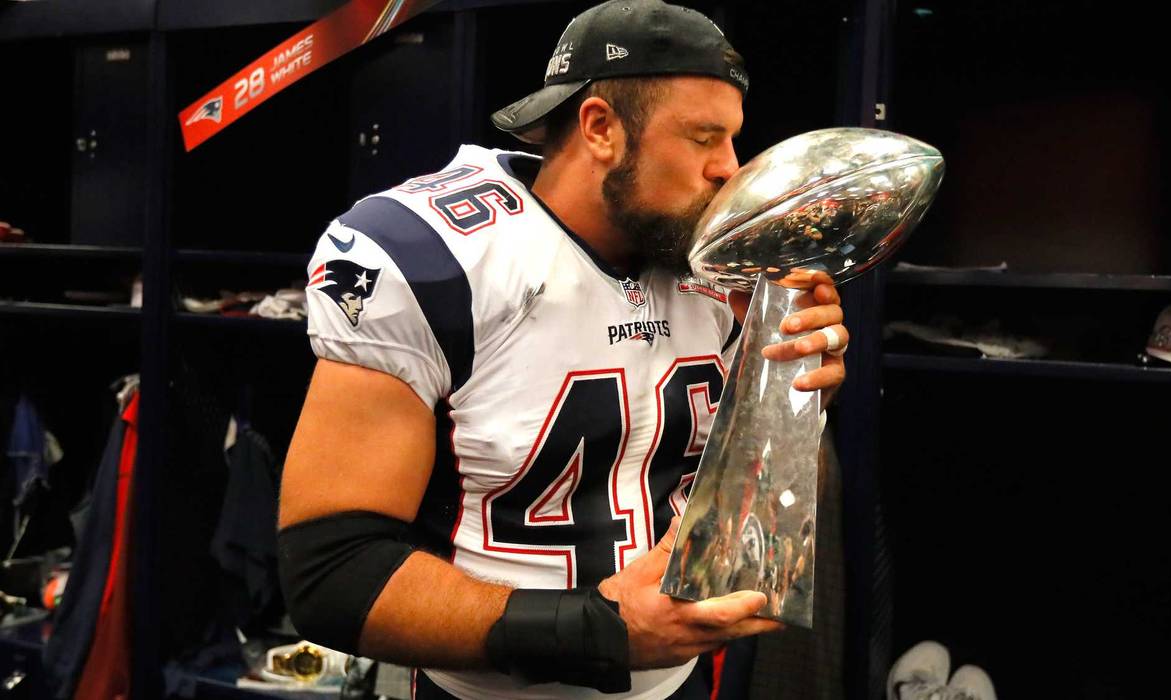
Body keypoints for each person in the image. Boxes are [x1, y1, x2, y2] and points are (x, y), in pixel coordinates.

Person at [276, 1, 850, 698]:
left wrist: (783, 392)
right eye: (704, 138)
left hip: (677, 682)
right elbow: (332, 573)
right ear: (601, 127)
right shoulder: (437, 255)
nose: (728, 170)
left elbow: (734, 505)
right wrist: (601, 632)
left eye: (731, 140)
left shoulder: (715, 265)